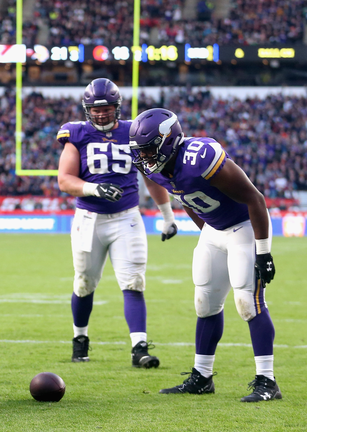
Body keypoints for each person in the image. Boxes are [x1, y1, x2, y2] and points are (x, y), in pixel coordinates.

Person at [128, 108, 280, 402]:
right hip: (216, 229)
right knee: (205, 303)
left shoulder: (201, 156)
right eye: (141, 152)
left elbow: (255, 198)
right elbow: (185, 197)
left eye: (149, 150)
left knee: (248, 301)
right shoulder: (158, 169)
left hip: (244, 227)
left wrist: (264, 252)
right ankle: (202, 376)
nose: (145, 158)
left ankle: (268, 381)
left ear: (168, 140)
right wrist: (208, 232)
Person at [56, 78, 178, 367]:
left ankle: (140, 348)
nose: (101, 113)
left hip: (127, 218)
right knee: (84, 282)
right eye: (95, 109)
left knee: (134, 282)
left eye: (107, 107)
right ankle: (80, 338)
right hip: (89, 219)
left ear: (117, 107)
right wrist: (94, 188)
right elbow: (65, 180)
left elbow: (152, 174)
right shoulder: (77, 134)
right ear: (87, 110)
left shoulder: (133, 132)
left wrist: (168, 216)